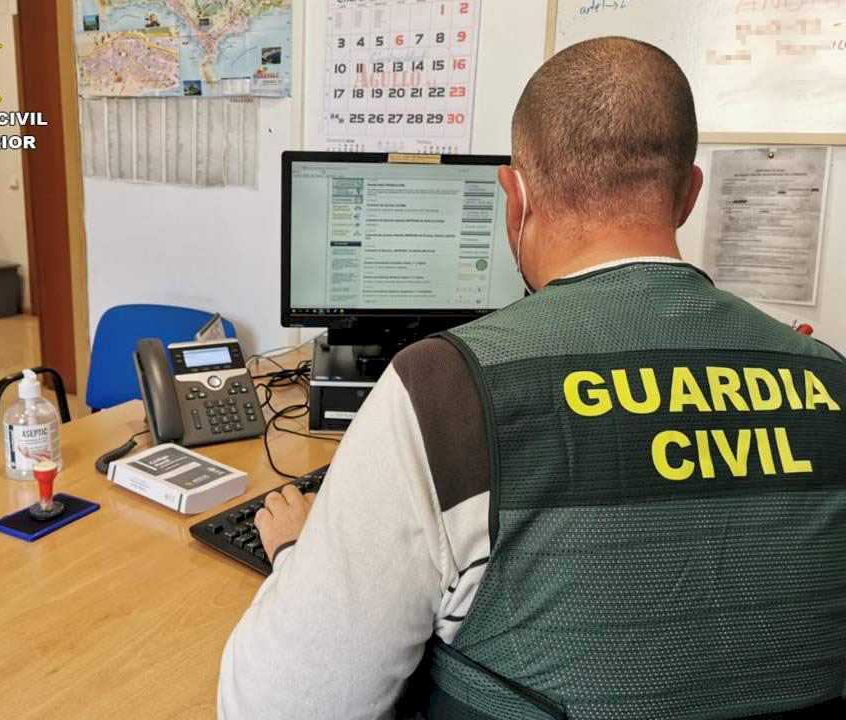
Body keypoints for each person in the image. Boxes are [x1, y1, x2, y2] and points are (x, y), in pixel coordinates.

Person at [218, 37, 846, 719]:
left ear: (513, 198)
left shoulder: (441, 391)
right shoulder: (831, 376)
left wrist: (296, 555)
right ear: (689, 195)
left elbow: (276, 708)